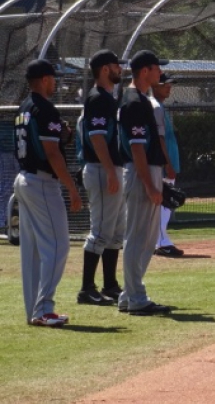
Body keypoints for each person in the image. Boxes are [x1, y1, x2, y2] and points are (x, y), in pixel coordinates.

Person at [14, 59, 82, 327]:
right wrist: (72, 188)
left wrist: (61, 136)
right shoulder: (45, 108)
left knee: (32, 251)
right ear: (44, 80)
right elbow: (52, 154)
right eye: (53, 78)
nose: (56, 82)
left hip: (25, 179)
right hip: (42, 183)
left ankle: (35, 310)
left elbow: (45, 144)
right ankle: (44, 309)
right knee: (58, 246)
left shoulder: (24, 107)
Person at [117, 50, 171, 316]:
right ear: (145, 71)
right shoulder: (135, 101)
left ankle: (129, 295)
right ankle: (136, 298)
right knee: (137, 237)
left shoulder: (137, 99)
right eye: (156, 68)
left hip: (146, 171)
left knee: (146, 238)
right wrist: (150, 184)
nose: (160, 73)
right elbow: (136, 148)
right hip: (141, 173)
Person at [76, 49, 126, 306]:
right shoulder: (98, 98)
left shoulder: (107, 98)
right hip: (100, 169)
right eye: (116, 66)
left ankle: (110, 285)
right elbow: (96, 138)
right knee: (100, 232)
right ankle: (87, 288)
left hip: (108, 169)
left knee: (116, 232)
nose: (120, 69)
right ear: (105, 69)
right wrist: (109, 171)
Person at [150, 73, 183, 257]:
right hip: (163, 163)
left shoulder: (160, 107)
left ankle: (159, 240)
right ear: (154, 85)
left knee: (164, 204)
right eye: (165, 84)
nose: (168, 87)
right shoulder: (155, 107)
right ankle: (161, 242)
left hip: (165, 162)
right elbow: (159, 139)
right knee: (165, 203)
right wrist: (167, 163)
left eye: (170, 85)